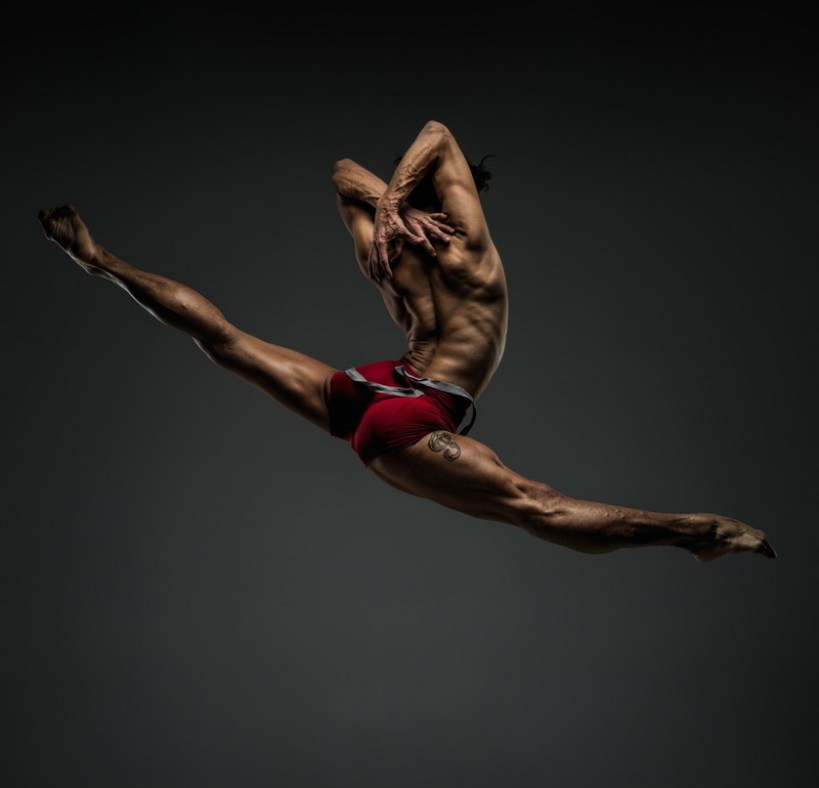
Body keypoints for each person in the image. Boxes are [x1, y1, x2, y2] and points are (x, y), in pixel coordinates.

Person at [38, 119, 775, 562]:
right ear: (458, 195)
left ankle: (101, 262)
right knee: (537, 506)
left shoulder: (380, 249)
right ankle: (699, 532)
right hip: (415, 413)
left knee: (226, 340)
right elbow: (438, 132)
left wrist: (388, 205)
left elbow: (341, 172)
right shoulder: (468, 247)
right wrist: (399, 199)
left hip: (376, 385)